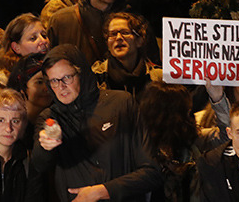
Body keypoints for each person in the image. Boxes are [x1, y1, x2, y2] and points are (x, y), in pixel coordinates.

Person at [33, 44, 163, 202]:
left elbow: (152, 172)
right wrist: (45, 146)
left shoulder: (121, 104)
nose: (61, 87)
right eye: (54, 81)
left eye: (67, 78)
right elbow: (39, 165)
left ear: (82, 73)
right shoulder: (51, 118)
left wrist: (102, 191)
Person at [139, 81, 227, 201]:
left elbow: (227, 134)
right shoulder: (138, 146)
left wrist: (218, 99)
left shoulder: (193, 139)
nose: (190, 114)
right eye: (186, 109)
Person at [92, 12, 161, 99]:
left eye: (125, 32)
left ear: (139, 40)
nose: (118, 38)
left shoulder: (158, 79)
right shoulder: (95, 78)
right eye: (113, 34)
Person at [0, 13, 49, 93]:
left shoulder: (55, 68)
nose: (43, 41)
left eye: (44, 35)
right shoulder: (3, 81)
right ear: (16, 47)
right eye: (33, 38)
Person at [7, 53, 53, 149]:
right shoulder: (11, 125)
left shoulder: (59, 119)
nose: (47, 88)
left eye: (49, 81)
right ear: (22, 88)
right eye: (39, 82)